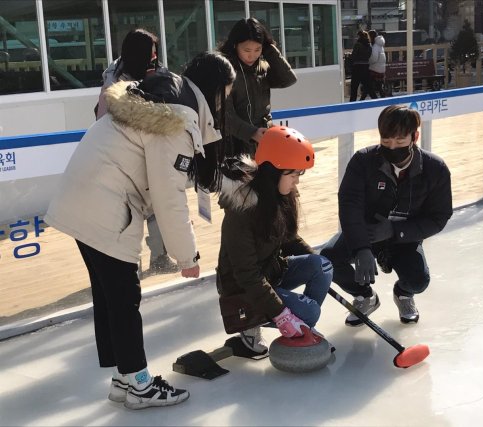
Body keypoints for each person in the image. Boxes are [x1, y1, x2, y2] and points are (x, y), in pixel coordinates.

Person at [45, 52, 236, 409]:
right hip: (105, 207)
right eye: (224, 94)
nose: (223, 102)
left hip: (80, 200)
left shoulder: (158, 94)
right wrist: (186, 255)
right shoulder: (176, 117)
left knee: (111, 297)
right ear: (212, 89)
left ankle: (124, 378)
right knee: (124, 299)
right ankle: (140, 385)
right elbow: (168, 195)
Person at [320, 105, 452, 326]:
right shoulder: (363, 161)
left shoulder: (435, 169)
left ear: (414, 136)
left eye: (400, 142)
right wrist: (361, 246)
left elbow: (439, 217)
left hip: (403, 238)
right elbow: (349, 204)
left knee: (419, 280)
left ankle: (403, 294)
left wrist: (395, 230)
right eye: (386, 141)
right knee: (329, 260)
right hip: (366, 233)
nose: (392, 147)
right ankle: (365, 296)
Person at [216, 126, 333, 353]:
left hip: (271, 271)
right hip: (242, 288)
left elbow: (287, 237)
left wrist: (312, 258)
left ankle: (300, 324)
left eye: (300, 173)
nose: (296, 182)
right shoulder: (241, 211)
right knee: (310, 312)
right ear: (273, 170)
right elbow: (246, 274)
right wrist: (281, 314)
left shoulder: (278, 194)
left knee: (323, 266)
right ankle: (257, 322)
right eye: (293, 174)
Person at [95, 28, 177, 274]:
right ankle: (131, 263)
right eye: (150, 53)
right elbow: (111, 118)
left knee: (156, 207)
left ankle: (159, 258)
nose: (154, 57)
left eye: (155, 52)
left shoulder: (149, 71)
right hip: (122, 155)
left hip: (147, 152)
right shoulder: (116, 82)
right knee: (128, 212)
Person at [219, 17, 297, 157]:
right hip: (233, 146)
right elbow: (224, 114)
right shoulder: (224, 71)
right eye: (247, 50)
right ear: (235, 45)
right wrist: (252, 133)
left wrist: (270, 50)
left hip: (264, 140)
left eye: (258, 49)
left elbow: (288, 79)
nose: (252, 55)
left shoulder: (262, 68)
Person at [349, 30, 377, 102]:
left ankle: (352, 103)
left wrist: (349, 57)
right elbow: (369, 56)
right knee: (369, 87)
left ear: (359, 36)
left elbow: (353, 56)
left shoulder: (358, 44)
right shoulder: (369, 45)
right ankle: (376, 101)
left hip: (357, 67)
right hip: (366, 67)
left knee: (354, 87)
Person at [368, 30, 387, 98]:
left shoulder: (375, 46)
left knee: (369, 86)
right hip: (381, 69)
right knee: (379, 87)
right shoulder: (380, 46)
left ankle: (375, 100)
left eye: (368, 36)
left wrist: (368, 62)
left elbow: (374, 59)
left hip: (375, 69)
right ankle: (383, 99)